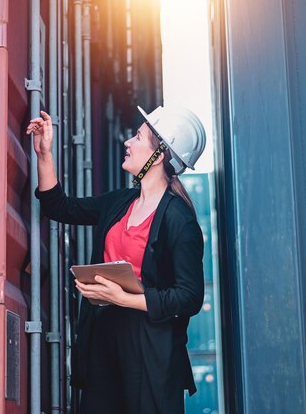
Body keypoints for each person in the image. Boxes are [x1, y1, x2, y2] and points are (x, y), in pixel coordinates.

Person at [28, 105, 207, 414]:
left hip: (150, 355)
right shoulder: (120, 202)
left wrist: (123, 298)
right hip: (104, 344)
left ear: (159, 154)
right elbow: (60, 208)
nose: (128, 142)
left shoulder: (180, 220)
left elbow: (190, 298)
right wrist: (44, 153)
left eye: (138, 137)